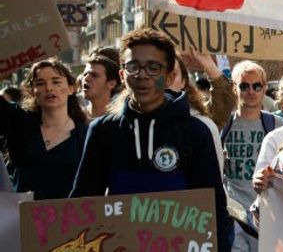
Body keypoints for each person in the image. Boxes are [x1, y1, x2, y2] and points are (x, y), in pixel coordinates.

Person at [71, 28, 232, 251]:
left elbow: (214, 209)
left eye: (153, 68)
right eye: (133, 66)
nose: (142, 75)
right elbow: (81, 203)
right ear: (121, 75)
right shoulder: (103, 130)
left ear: (170, 76)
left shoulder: (195, 131)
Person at [221, 60, 283, 252]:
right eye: (244, 86)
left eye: (257, 86)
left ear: (265, 88)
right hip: (233, 213)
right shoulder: (223, 125)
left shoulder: (277, 125)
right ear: (235, 89)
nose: (251, 91)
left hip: (267, 213)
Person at [0, 59, 89, 199]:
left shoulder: (87, 133)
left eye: (56, 82)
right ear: (32, 91)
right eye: (40, 83)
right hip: (24, 216)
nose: (49, 88)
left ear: (71, 88)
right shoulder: (20, 125)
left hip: (71, 217)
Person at [167, 55, 225, 173]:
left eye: (173, 74)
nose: (165, 81)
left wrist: (210, 67)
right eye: (156, 70)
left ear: (184, 81)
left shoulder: (202, 126)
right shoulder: (121, 124)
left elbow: (210, 185)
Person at [80, 53, 121, 119]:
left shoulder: (119, 119)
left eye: (94, 75)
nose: (86, 78)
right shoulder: (75, 119)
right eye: (85, 74)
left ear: (111, 84)